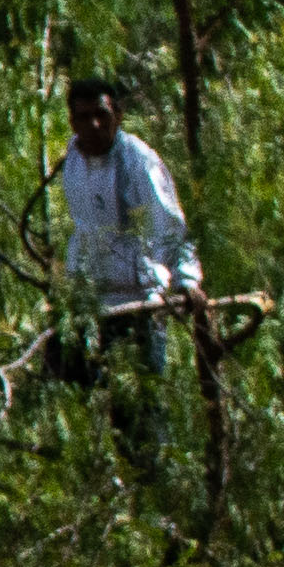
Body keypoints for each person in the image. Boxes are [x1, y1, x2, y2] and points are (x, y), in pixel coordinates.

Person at [54, 76, 198, 370]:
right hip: (92, 301)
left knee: (142, 397)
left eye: (101, 115)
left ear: (117, 116)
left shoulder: (138, 161)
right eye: (84, 117)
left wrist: (187, 280)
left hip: (139, 300)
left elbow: (170, 224)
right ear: (72, 123)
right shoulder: (73, 159)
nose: (94, 124)